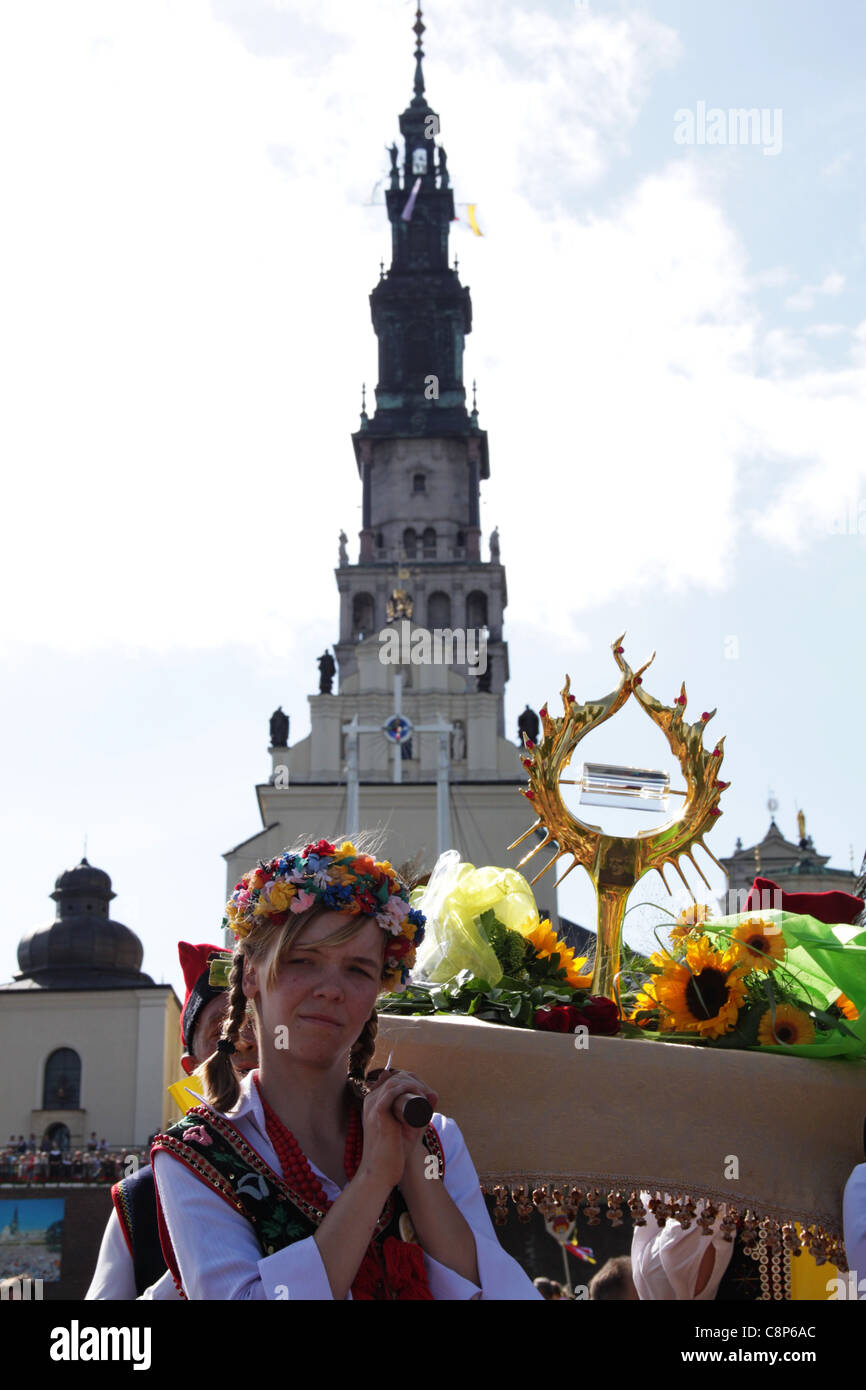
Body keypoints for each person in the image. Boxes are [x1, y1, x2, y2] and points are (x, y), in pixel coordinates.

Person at [152, 838, 542, 1300]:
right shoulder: (194, 1156)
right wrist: (374, 1177)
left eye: (358, 970)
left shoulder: (430, 1136)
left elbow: (494, 1293)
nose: (331, 989)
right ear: (252, 973)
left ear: (381, 985)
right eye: (304, 961)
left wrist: (413, 1170)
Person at [86, 941, 257, 1300]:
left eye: (258, 1025)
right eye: (221, 1034)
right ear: (191, 1068)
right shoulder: (143, 1198)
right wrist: (182, 1278)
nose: (242, 1042)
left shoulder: (343, 1157)